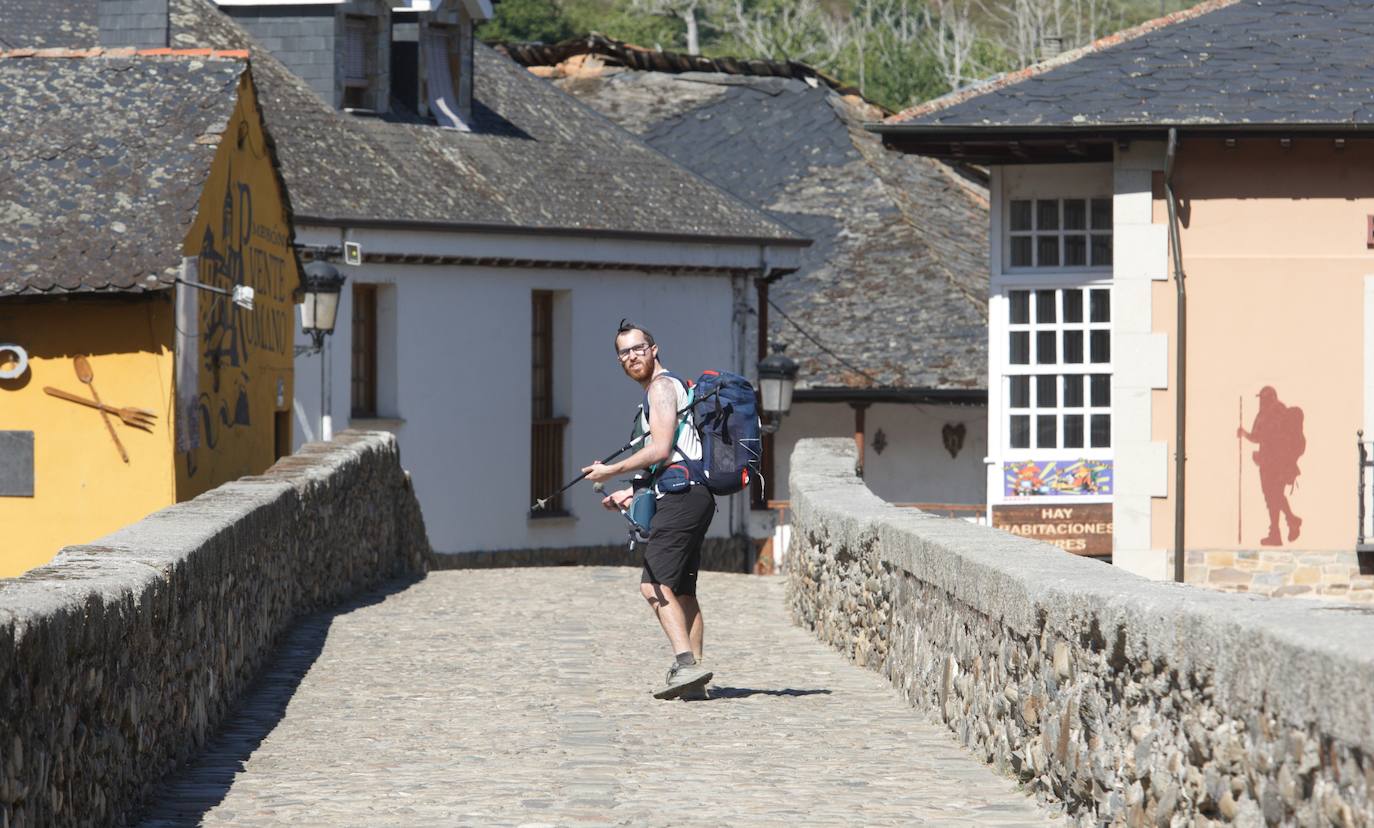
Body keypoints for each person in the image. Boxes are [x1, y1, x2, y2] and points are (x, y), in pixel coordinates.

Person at [583, 320, 715, 700]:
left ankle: (687, 664)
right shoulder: (671, 388)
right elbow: (670, 455)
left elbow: (658, 450)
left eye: (638, 348)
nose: (631, 357)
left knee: (653, 584)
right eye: (623, 352)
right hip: (692, 493)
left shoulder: (660, 388)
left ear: (654, 349)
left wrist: (610, 470)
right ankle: (695, 681)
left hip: (682, 496)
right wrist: (630, 491)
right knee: (683, 591)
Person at [1237, 386, 1303, 546]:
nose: (1261, 401)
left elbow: (1258, 437)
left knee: (1272, 498)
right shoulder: (1280, 411)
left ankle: (1280, 530)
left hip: (1271, 465)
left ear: (1267, 398)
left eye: (1262, 398)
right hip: (1278, 464)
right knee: (1275, 497)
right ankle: (1285, 525)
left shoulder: (1267, 414)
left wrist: (1244, 434)